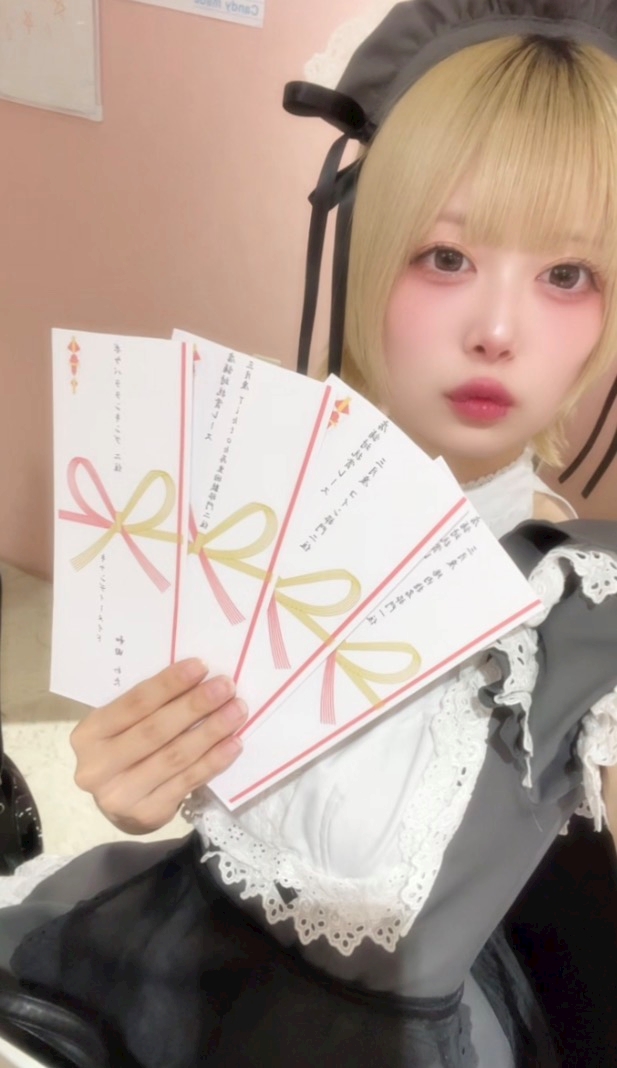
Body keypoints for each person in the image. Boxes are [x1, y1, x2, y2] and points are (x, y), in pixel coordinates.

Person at [3, 2, 617, 1065]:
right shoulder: (232, 494)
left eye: (567, 275)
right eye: (444, 255)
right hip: (171, 965)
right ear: (365, 241)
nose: (497, 330)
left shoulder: (584, 606)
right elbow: (174, 778)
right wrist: (137, 771)